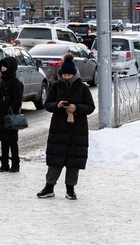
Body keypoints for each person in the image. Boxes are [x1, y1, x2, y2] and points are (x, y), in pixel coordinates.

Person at [37, 53, 96, 200]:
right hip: (59, 129)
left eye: (70, 74)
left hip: (77, 130)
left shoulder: (83, 88)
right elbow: (47, 104)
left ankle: (70, 189)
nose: (67, 77)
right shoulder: (56, 86)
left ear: (74, 73)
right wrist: (57, 105)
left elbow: (90, 107)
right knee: (55, 160)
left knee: (73, 161)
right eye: (65, 75)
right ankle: (49, 187)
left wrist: (76, 108)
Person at [0, 56, 24, 172]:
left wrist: (12, 111)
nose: (2, 68)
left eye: (5, 66)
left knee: (12, 141)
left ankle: (15, 164)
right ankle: (4, 163)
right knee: (3, 141)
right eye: (1, 66)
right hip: (1, 116)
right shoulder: (2, 80)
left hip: (10, 117)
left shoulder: (14, 82)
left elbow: (17, 99)